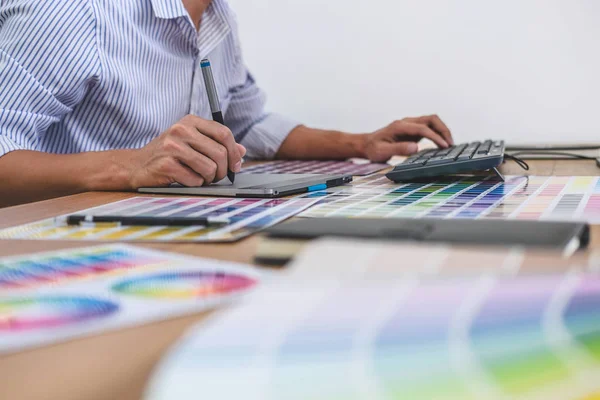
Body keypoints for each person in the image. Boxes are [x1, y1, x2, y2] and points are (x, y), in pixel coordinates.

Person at [0, 0, 454, 207]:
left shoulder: (217, 17)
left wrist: (360, 142)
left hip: (158, 230)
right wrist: (130, 167)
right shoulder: (67, 11)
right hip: (54, 250)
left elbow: (247, 122)